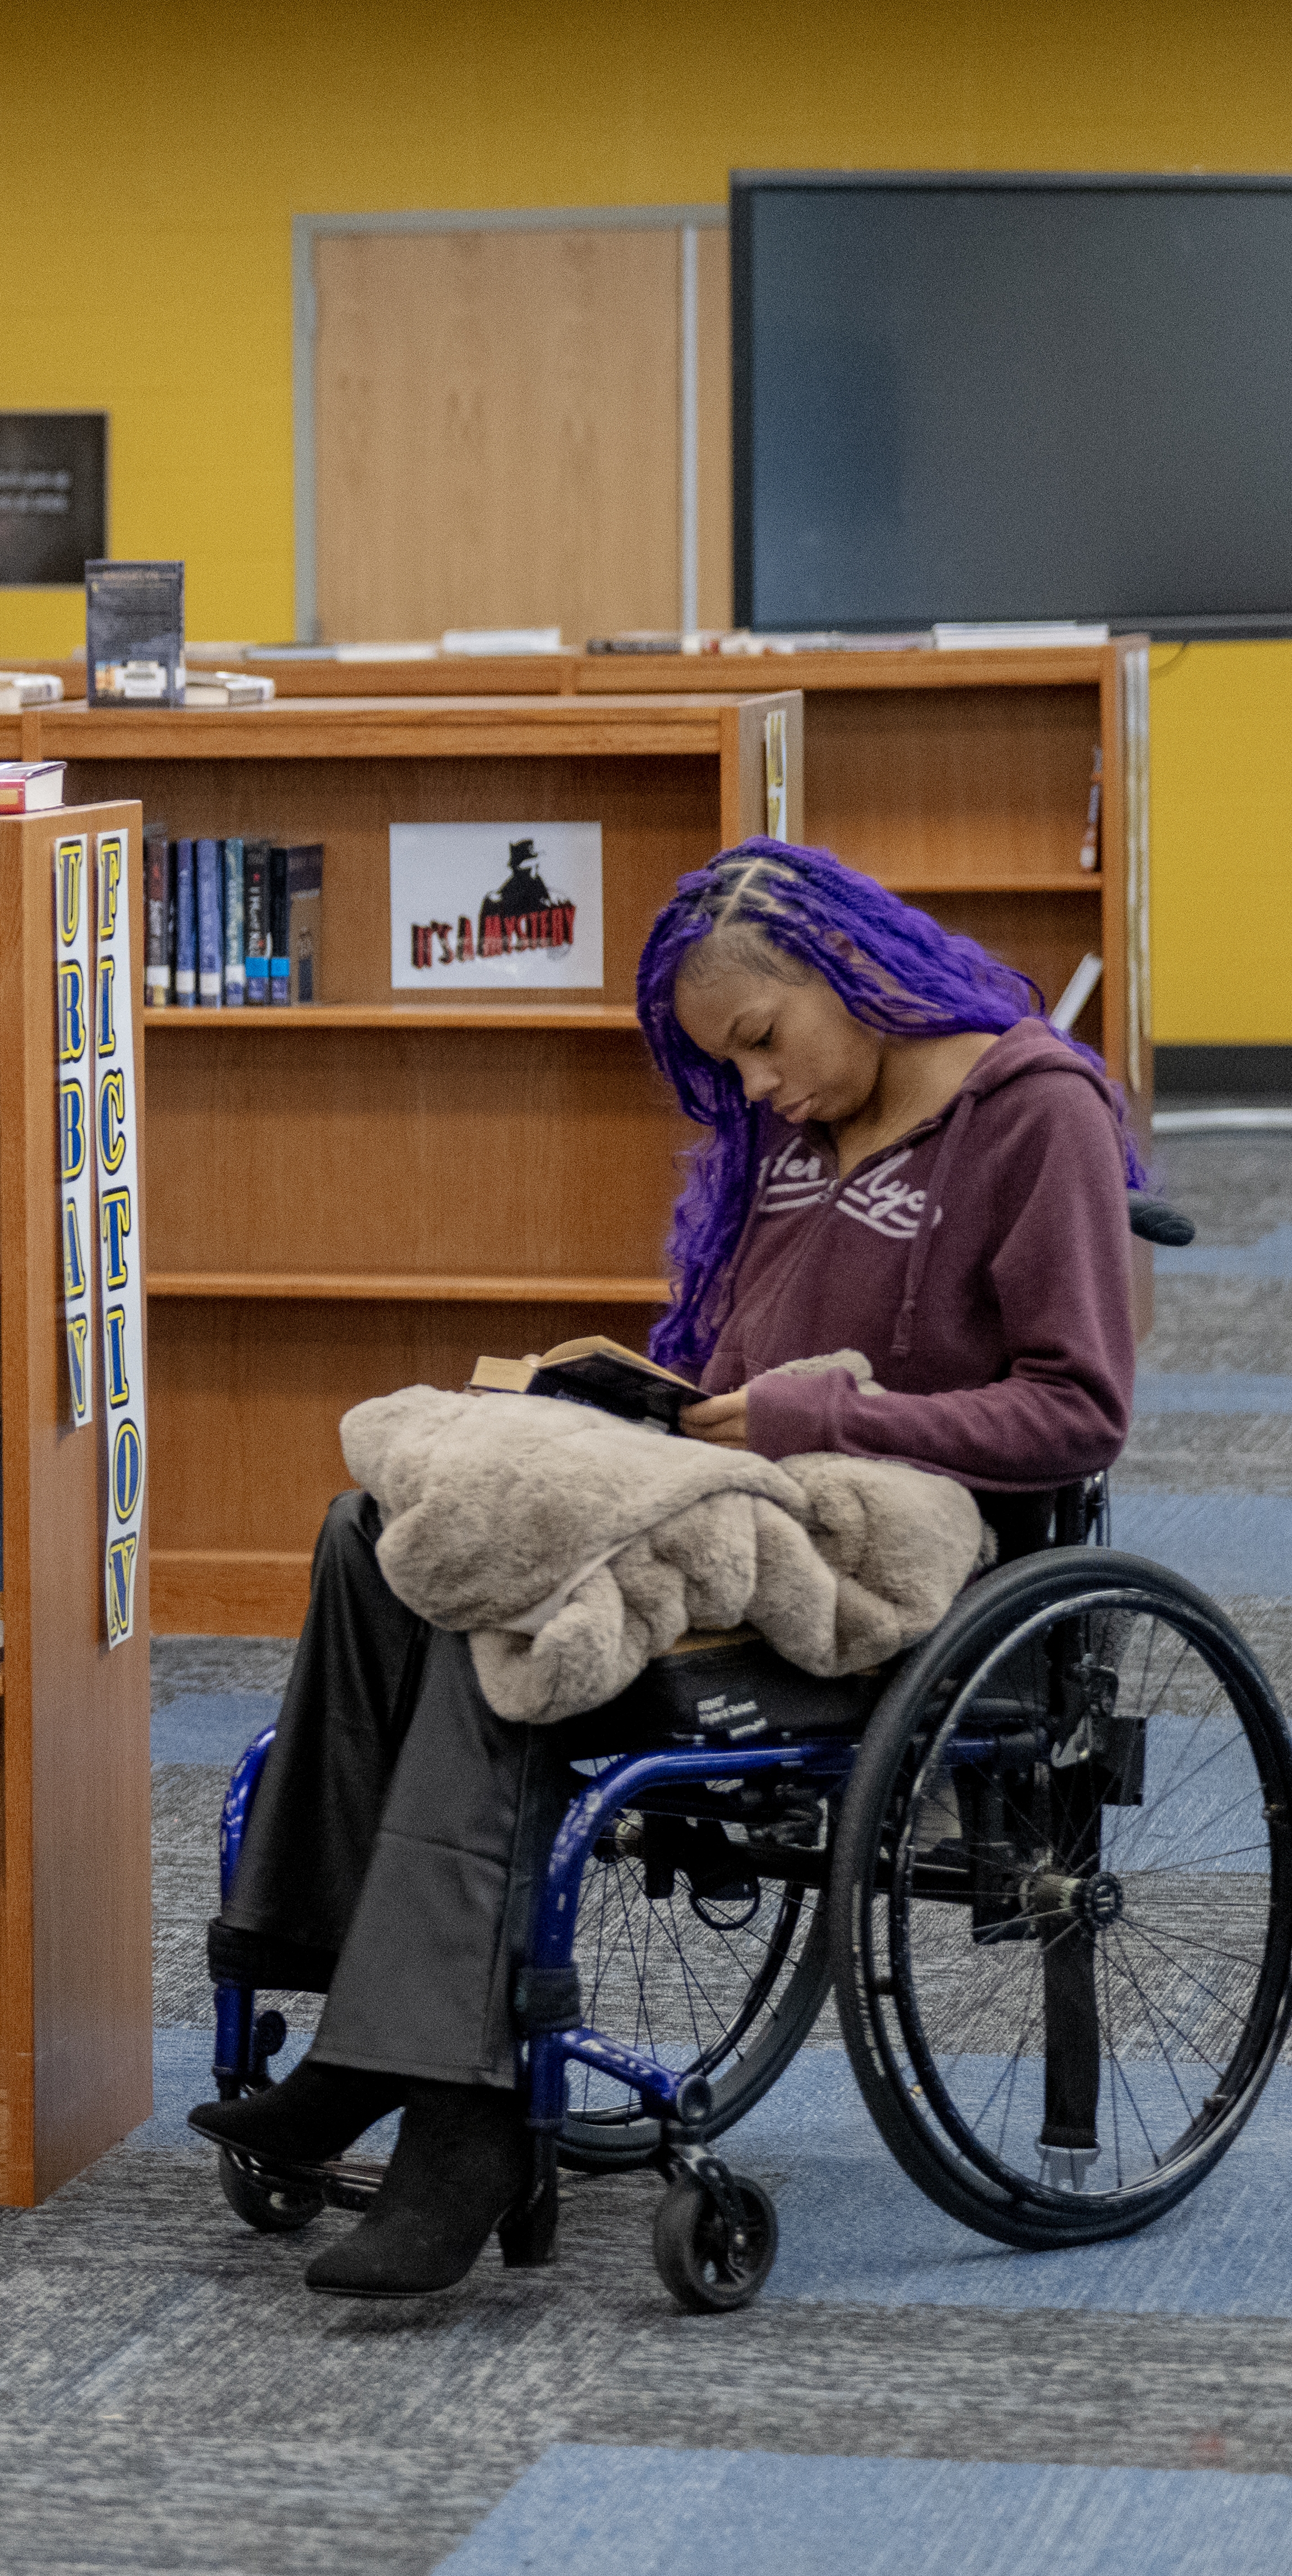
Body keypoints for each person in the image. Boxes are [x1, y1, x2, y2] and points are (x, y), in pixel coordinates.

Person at [195, 838, 1138, 2297]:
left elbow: (1077, 1410)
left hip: (888, 1573)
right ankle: (350, 2011)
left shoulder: (1032, 1112)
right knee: (371, 1529)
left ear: (846, 971)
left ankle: (447, 2107)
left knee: (500, 1592)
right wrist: (634, 1398)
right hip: (729, 1510)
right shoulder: (786, 1141)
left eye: (762, 1040)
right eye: (731, 1065)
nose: (756, 1088)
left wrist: (812, 1409)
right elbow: (722, 1378)